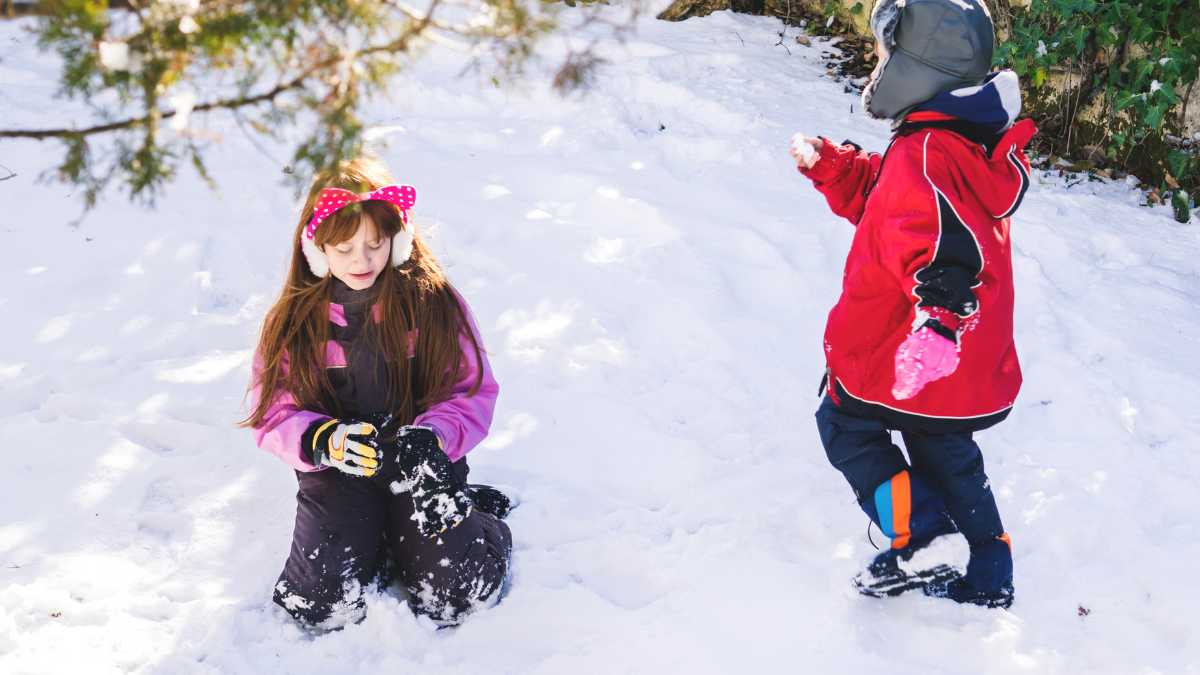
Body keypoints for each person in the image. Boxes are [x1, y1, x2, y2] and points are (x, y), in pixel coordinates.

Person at [790, 0, 1037, 608]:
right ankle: (989, 573)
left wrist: (939, 322)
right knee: (947, 453)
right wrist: (838, 170)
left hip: (916, 344)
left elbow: (938, 243)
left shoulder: (924, 153)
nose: (877, 66)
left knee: (843, 425)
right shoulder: (955, 144)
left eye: (885, 55)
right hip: (956, 361)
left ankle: (923, 535)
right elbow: (896, 212)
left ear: (917, 68)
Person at [241, 156, 512, 629]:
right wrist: (322, 439)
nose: (361, 261)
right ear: (317, 249)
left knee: (456, 597)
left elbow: (470, 391)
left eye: (375, 244)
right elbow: (273, 412)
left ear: (398, 239)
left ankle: (476, 520)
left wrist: (434, 439)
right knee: (321, 605)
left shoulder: (434, 304)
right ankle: (377, 535)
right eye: (344, 248)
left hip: (421, 465)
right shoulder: (294, 323)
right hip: (339, 471)